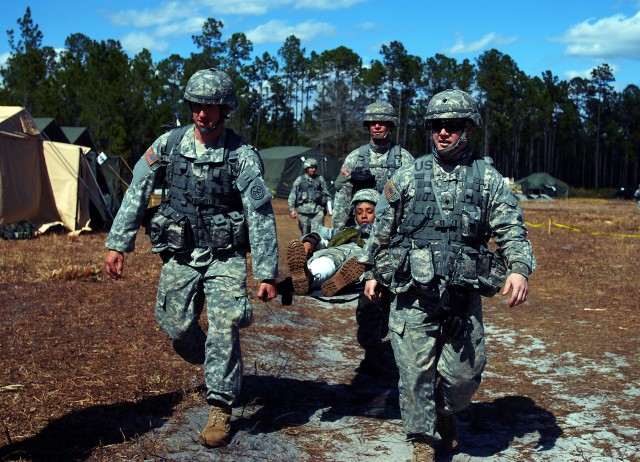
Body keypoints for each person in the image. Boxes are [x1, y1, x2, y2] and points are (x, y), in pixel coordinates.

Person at [104, 68, 278, 449]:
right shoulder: (168, 145)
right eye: (198, 105)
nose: (203, 113)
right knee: (176, 327)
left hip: (225, 256)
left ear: (224, 109)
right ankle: (215, 360)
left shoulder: (242, 157)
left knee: (224, 325)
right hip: (181, 253)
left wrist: (265, 272)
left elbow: (260, 214)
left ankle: (220, 406)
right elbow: (138, 190)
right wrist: (118, 244)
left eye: (211, 106)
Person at [360, 89, 536, 461]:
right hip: (413, 294)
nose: (443, 133)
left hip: (462, 297)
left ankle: (445, 413)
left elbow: (511, 229)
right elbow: (382, 228)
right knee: (413, 374)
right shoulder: (408, 175)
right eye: (437, 126)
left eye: (452, 126)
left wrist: (519, 269)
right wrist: (372, 272)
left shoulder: (488, 179)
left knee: (463, 378)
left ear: (468, 128)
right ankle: (421, 441)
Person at [332, 101, 414, 231]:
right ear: (368, 126)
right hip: (359, 229)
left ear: (390, 126)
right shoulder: (354, 158)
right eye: (373, 123)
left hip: (393, 230)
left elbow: (412, 199)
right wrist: (339, 233)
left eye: (382, 123)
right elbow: (342, 196)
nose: (377, 126)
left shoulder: (404, 159)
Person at [286, 188, 378, 297]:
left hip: (358, 263)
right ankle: (308, 277)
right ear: (354, 213)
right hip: (333, 256)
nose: (363, 216)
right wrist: (308, 242)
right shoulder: (347, 231)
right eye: (359, 212)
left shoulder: (381, 235)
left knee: (357, 266)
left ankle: (339, 282)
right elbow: (322, 234)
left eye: (369, 212)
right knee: (326, 261)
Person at [288, 158, 331, 235]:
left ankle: (317, 247)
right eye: (311, 168)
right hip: (303, 212)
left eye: (314, 167)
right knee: (305, 235)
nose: (313, 169)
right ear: (306, 168)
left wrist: (329, 207)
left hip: (317, 211)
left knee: (318, 235)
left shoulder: (320, 179)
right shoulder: (300, 180)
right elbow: (293, 194)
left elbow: (326, 193)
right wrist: (292, 209)